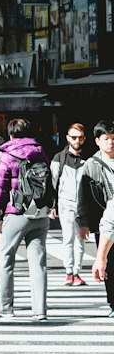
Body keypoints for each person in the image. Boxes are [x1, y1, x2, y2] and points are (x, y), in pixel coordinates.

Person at [0, 117, 50, 321]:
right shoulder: (41, 152)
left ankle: (5, 306)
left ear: (11, 134)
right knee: (38, 262)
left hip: (16, 212)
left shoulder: (7, 156)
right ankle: (39, 310)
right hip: (40, 212)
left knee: (6, 259)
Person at [77, 121, 114, 316]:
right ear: (97, 141)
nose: (111, 143)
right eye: (106, 139)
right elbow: (82, 196)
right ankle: (112, 302)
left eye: (113, 139)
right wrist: (83, 223)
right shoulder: (91, 165)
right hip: (103, 223)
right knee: (108, 262)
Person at [51, 123, 89, 286]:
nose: (77, 140)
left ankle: (77, 272)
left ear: (84, 138)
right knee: (68, 238)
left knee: (80, 239)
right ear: (67, 138)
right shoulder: (59, 158)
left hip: (83, 207)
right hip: (65, 204)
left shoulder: (88, 160)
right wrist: (52, 206)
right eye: (73, 137)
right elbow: (52, 183)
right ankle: (69, 272)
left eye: (80, 137)